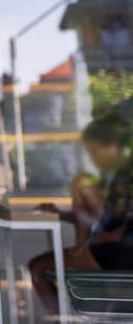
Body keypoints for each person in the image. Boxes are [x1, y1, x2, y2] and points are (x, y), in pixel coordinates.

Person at [29, 112, 133, 314]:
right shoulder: (116, 176)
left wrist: (114, 235)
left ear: (113, 147)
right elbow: (104, 218)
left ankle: (63, 318)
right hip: (112, 247)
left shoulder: (126, 176)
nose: (94, 159)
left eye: (95, 152)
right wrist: (61, 214)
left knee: (38, 269)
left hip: (121, 253)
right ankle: (81, 253)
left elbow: (120, 220)